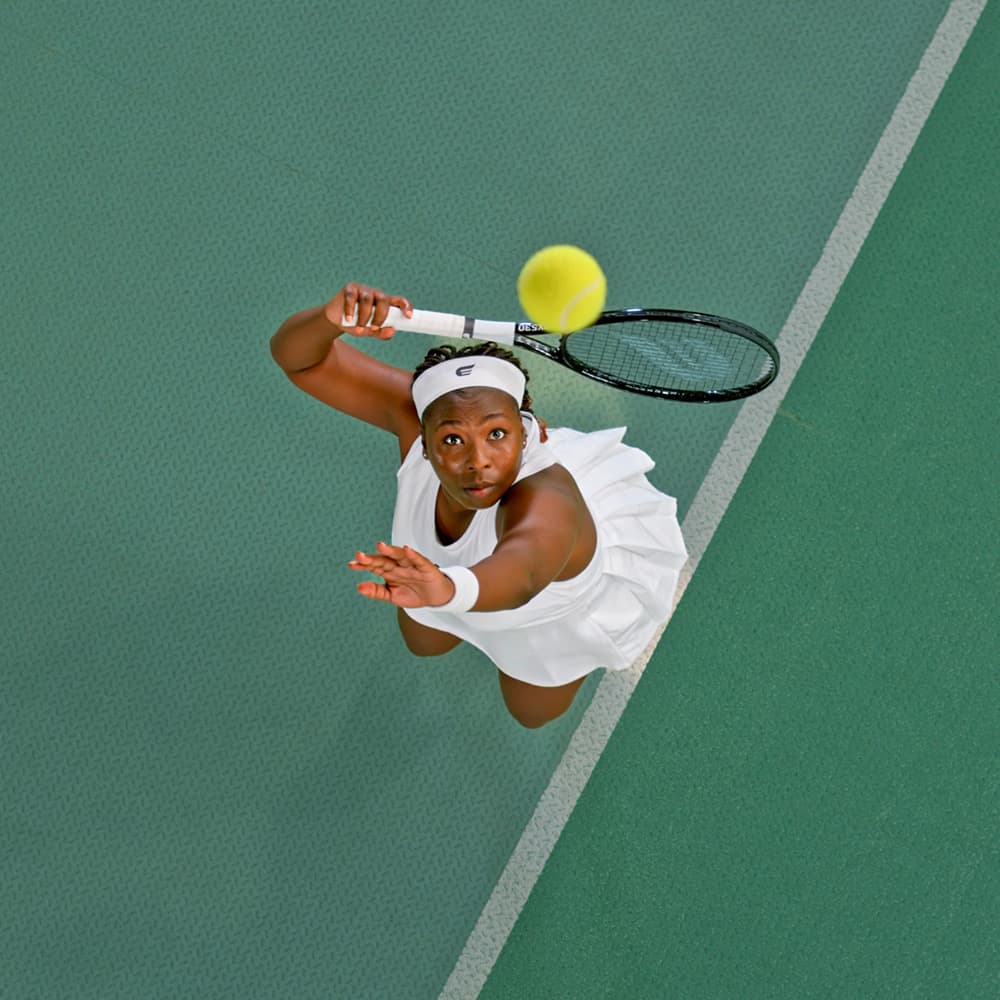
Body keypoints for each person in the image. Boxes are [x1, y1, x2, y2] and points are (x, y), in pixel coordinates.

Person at [270, 282, 687, 728]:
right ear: (424, 441)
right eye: (452, 440)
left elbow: (523, 570)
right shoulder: (413, 421)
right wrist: (329, 319)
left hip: (542, 616)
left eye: (497, 434)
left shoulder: (548, 501)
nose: (478, 462)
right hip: (444, 584)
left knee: (529, 713)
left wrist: (449, 590)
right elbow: (300, 358)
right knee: (425, 641)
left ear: (525, 431)